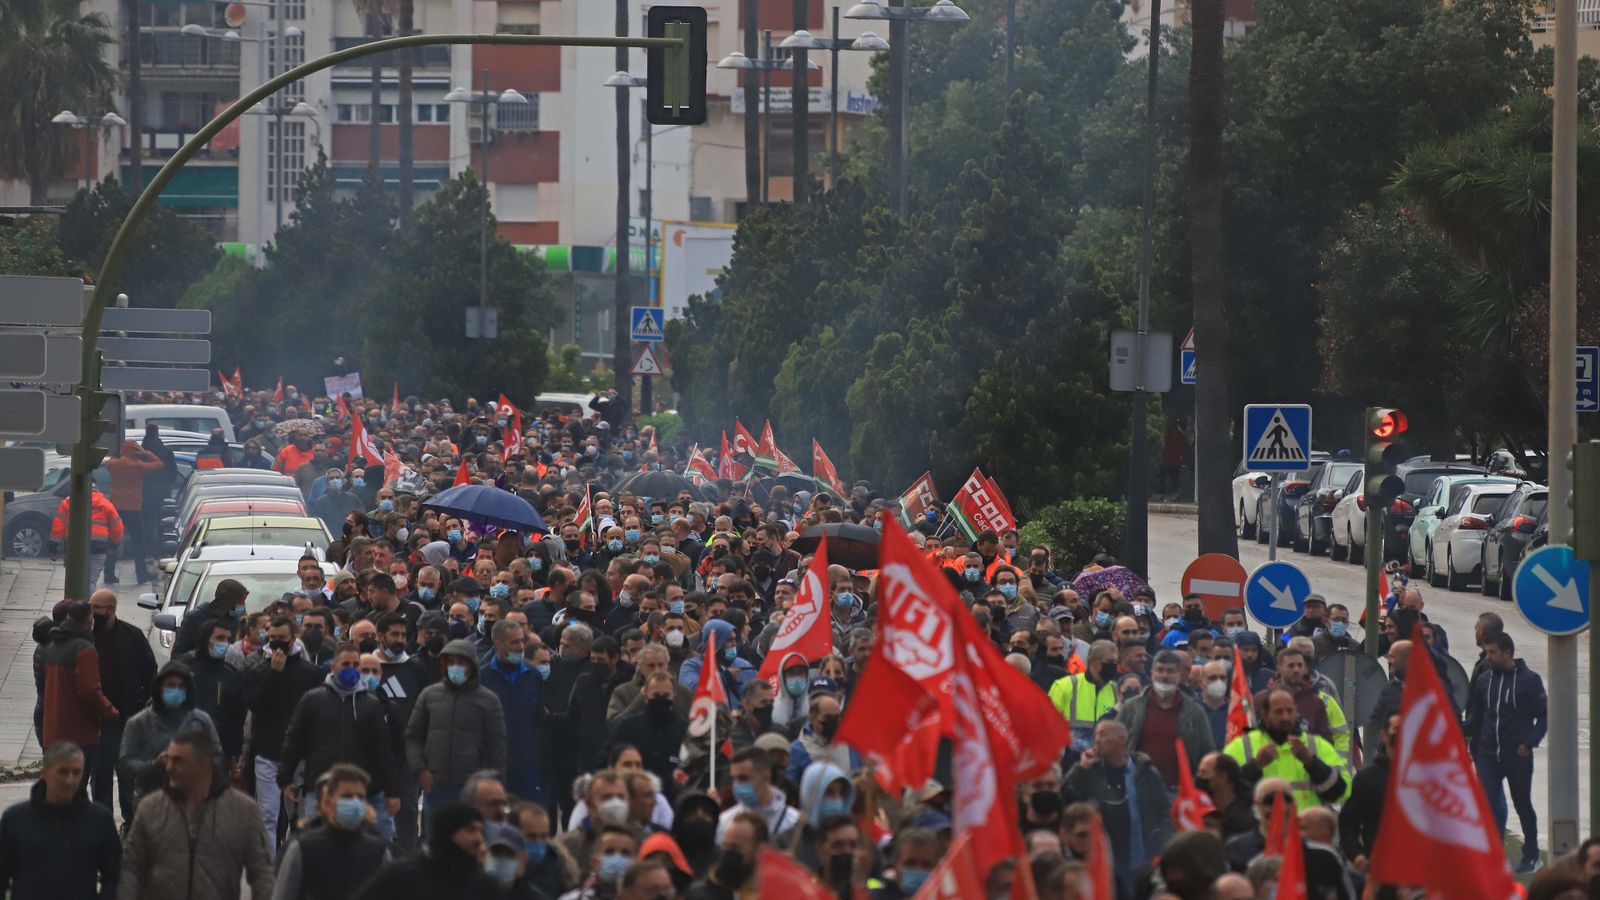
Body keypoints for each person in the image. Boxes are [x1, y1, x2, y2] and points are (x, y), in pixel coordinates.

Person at [119, 729, 276, 900]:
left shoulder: (243, 810)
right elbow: (131, 868)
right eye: (169, 759)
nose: (169, 767)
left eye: (178, 761)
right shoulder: (151, 808)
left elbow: (263, 872)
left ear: (204, 766)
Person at [277, 643, 400, 823]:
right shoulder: (313, 699)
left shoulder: (371, 704)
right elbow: (293, 739)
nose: (351, 669)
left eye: (355, 665)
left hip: (358, 792)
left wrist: (392, 791)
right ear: (333, 667)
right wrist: (285, 778)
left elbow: (383, 750)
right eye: (345, 665)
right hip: (319, 789)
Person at [1464, 630, 1546, 874]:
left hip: (1517, 755)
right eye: (1486, 652)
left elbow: (1543, 717)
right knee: (1484, 804)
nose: (1488, 657)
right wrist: (1457, 727)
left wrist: (1528, 743)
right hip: (1488, 755)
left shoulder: (1529, 680)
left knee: (1522, 803)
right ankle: (1488, 856)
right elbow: (1476, 717)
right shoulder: (1484, 680)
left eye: (1492, 652)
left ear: (1507, 652)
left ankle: (1531, 854)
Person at [405, 638, 508, 833]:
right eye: (451, 662)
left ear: (472, 665)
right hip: (436, 787)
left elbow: (497, 747)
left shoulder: (488, 700)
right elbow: (413, 736)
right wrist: (420, 770)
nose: (455, 667)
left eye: (461, 662)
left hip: (473, 789)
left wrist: (495, 786)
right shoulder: (429, 695)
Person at [243, 615, 325, 854]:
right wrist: (274, 673)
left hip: (301, 754)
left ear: (294, 638)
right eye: (273, 639)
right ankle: (270, 868)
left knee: (301, 816)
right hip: (268, 751)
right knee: (267, 814)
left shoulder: (311, 673)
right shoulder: (257, 668)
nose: (278, 644)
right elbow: (256, 704)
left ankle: (299, 861)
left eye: (283, 639)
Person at [0, 741, 120, 898]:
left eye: (76, 773)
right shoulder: (16, 820)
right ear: (45, 773)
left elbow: (115, 875)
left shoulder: (99, 820)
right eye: (63, 772)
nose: (70, 780)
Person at [1062, 720, 1170, 893]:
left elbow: (1164, 812)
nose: (1097, 740)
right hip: (1105, 861)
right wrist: (1081, 769)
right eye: (1095, 735)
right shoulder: (1089, 772)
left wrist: (1164, 846)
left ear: (1121, 739)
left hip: (1141, 861)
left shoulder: (1146, 772)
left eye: (1103, 734)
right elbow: (1066, 797)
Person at [272, 764, 393, 900]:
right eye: (347, 796)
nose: (354, 802)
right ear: (328, 802)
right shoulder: (302, 849)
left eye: (360, 797)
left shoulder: (379, 852)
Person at [117, 660, 222, 812]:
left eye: (181, 687)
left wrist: (199, 766)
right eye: (171, 685)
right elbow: (125, 764)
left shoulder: (201, 721)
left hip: (193, 802)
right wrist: (154, 765)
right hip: (151, 802)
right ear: (160, 688)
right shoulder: (139, 723)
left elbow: (218, 756)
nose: (176, 690)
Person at [88, 588, 156, 819]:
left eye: (96, 608)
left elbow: (150, 671)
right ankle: (103, 821)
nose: (92, 613)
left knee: (127, 775)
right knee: (100, 775)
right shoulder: (88, 638)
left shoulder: (132, 636)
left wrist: (143, 702)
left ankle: (130, 821)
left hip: (127, 717)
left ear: (111, 610)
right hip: (99, 719)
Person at [39, 600, 118, 797]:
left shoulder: (54, 646)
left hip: (53, 733)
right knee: (76, 789)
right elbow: (90, 691)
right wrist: (110, 711)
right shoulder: (85, 650)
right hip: (79, 734)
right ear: (88, 620)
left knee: (57, 791)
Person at [1221, 687, 1348, 810]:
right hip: (1259, 830)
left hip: (1304, 829)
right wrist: (1255, 766)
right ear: (1265, 715)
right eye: (1278, 712)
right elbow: (1223, 793)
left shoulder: (1316, 745)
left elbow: (1339, 793)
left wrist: (1311, 763)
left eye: (1289, 711)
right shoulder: (1241, 746)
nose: (1285, 717)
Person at [351, 803, 501, 900]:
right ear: (448, 832)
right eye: (471, 830)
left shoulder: (484, 885)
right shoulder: (404, 875)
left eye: (480, 831)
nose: (478, 839)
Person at [1114, 648, 1213, 787]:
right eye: (1160, 670)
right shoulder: (1132, 707)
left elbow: (1207, 750)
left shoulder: (1195, 712)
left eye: (1171, 671)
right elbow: (1116, 743)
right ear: (1152, 673)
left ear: (1179, 675)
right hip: (1137, 788)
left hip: (1179, 791)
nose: (1165, 675)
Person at [480, 619, 546, 805]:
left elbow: (538, 717)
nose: (520, 647)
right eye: (514, 642)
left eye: (522, 641)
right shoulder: (483, 677)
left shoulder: (533, 676)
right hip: (494, 764)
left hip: (527, 764)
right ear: (498, 643)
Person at [179, 618, 247, 767]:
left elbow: (237, 716)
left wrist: (234, 752)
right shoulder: (184, 667)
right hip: (184, 747)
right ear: (205, 639)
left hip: (218, 752)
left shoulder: (231, 674)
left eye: (228, 639)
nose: (225, 643)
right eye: (220, 638)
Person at [105, 440, 164, 585]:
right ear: (135, 451)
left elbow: (110, 460)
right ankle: (141, 574)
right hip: (133, 507)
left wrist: (119, 453)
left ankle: (109, 573)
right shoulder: (137, 466)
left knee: (113, 540)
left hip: (115, 506)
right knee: (138, 542)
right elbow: (159, 464)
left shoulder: (113, 464)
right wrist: (145, 453)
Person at [49, 487, 123, 591]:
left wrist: (53, 547)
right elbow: (117, 527)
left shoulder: (68, 502)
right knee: (90, 581)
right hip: (98, 547)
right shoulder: (106, 504)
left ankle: (74, 603)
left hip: (73, 547)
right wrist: (114, 545)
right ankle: (88, 605)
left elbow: (58, 526)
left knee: (73, 580)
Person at [718, 747, 799, 840]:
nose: (736, 785)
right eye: (733, 779)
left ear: (766, 779)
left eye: (743, 778)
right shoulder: (725, 822)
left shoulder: (793, 823)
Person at [684, 810, 766, 899]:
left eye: (735, 848)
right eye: (725, 846)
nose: (727, 853)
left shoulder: (776, 891)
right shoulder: (701, 895)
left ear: (758, 851)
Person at [173, 578, 249, 660]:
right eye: (239, 602)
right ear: (227, 601)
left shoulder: (238, 621)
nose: (242, 606)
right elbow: (178, 654)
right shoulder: (195, 618)